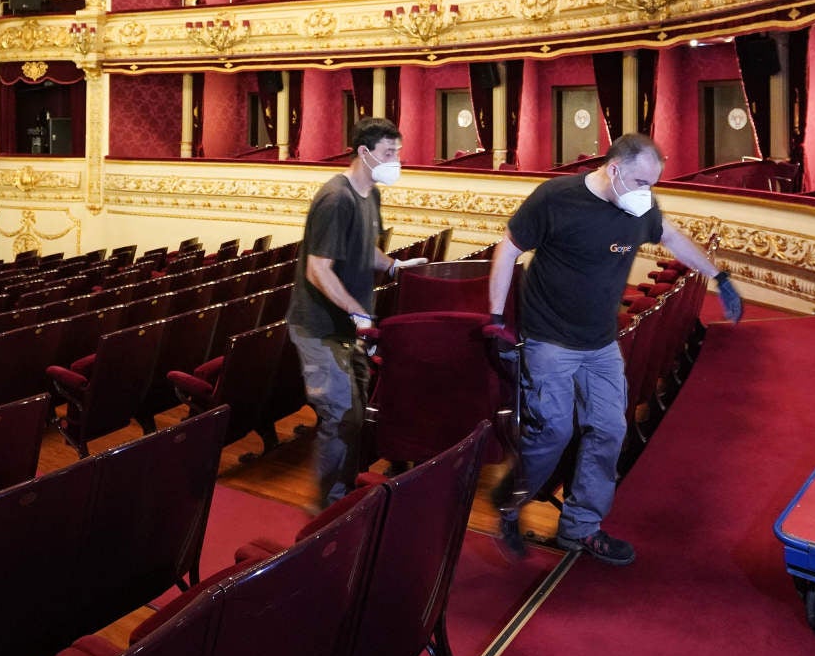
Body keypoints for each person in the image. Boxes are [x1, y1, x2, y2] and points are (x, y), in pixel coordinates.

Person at [487, 133, 743, 565]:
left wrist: (718, 276)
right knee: (552, 432)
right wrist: (495, 318)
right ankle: (509, 503)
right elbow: (508, 249)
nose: (649, 193)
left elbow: (673, 237)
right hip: (550, 339)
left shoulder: (639, 206)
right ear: (615, 169)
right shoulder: (556, 198)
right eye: (643, 182)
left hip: (600, 342)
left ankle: (580, 528)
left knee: (609, 430)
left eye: (655, 184)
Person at [286, 117, 425, 508]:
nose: (396, 160)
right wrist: (356, 313)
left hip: (351, 326)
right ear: (364, 153)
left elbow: (363, 250)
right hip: (319, 327)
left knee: (354, 413)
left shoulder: (370, 195)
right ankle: (327, 508)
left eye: (397, 152)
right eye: (388, 153)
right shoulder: (336, 198)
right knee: (341, 415)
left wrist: (396, 267)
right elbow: (318, 269)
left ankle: (341, 496)